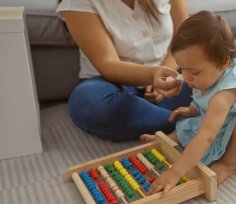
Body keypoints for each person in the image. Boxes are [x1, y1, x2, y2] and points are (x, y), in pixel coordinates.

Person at [141, 10, 236, 196]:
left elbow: (206, 136)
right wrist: (191, 109)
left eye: (194, 72)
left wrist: (175, 173)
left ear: (223, 64)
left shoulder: (224, 94)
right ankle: (170, 139)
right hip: (220, 122)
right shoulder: (207, 73)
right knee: (189, 119)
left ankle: (227, 163)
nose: (187, 77)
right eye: (183, 68)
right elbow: (203, 103)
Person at [55, 0, 193, 141]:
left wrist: (165, 76)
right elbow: (108, 64)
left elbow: (183, 35)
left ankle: (176, 120)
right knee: (88, 103)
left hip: (170, 71)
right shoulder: (76, 3)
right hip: (110, 83)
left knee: (211, 71)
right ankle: (193, 124)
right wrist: (152, 75)